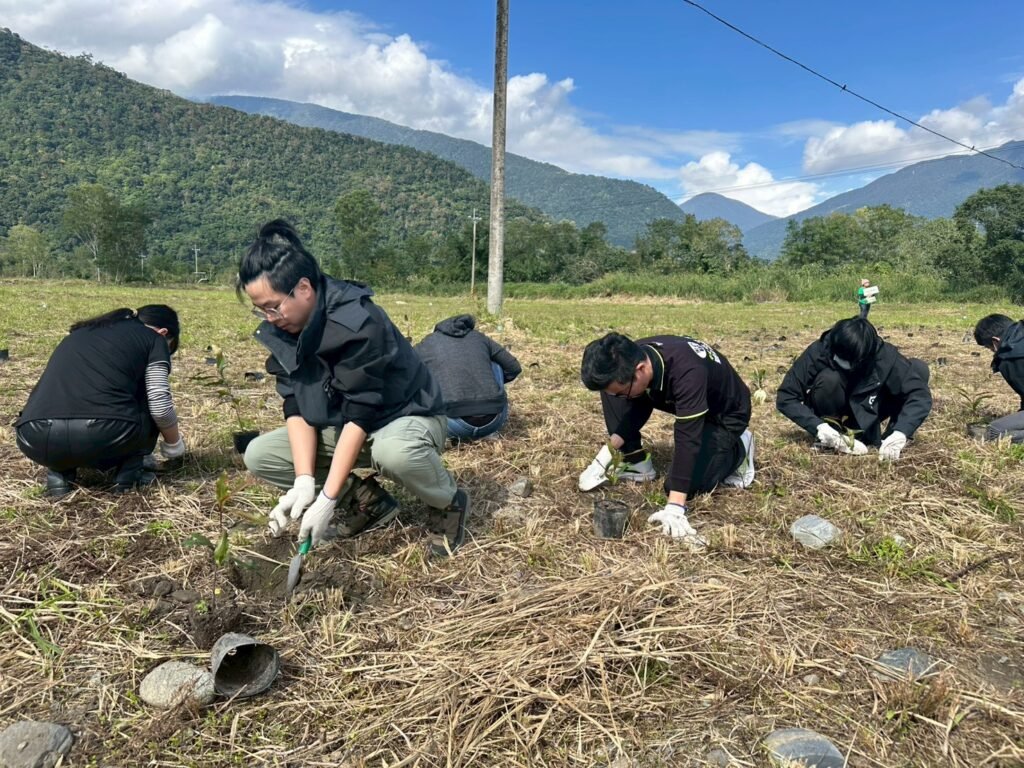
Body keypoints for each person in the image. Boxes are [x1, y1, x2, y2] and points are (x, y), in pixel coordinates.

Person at [238, 220, 470, 557]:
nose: (270, 318)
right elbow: (296, 406)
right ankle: (368, 503)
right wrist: (304, 482)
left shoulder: (357, 321)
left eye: (273, 306)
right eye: (260, 310)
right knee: (260, 455)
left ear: (303, 288)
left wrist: (327, 499)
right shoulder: (286, 328)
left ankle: (448, 501)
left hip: (404, 416)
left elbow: (360, 414)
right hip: (343, 422)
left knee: (395, 454)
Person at [578, 333, 755, 544]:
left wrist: (675, 507)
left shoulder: (688, 373)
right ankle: (637, 462)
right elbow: (639, 404)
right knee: (614, 390)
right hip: (691, 399)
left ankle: (739, 449)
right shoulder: (634, 357)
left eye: (622, 392)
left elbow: (688, 438)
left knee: (683, 485)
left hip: (725, 415)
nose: (620, 398)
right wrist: (605, 454)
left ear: (640, 370)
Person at [15, 306, 185, 496]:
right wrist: (174, 444)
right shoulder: (153, 339)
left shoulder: (80, 333)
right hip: (106, 434)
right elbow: (160, 404)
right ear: (163, 333)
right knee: (144, 395)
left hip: (34, 437)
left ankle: (58, 473)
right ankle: (129, 475)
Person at [776, 317, 931, 459]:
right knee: (829, 379)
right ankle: (834, 436)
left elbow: (919, 394)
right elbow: (787, 396)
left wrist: (901, 431)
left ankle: (889, 441)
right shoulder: (821, 350)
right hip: (834, 410)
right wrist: (818, 426)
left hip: (870, 407)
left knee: (918, 369)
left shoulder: (884, 355)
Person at [414, 314, 522, 442]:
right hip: (494, 421)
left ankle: (443, 434)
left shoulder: (427, 342)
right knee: (495, 363)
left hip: (451, 424)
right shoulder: (479, 338)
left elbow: (405, 374)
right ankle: (487, 425)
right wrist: (490, 383)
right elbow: (514, 367)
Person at [973, 313, 1024, 443]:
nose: (992, 351)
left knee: (995, 430)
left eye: (989, 347)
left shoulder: (1010, 358)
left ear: (995, 342)